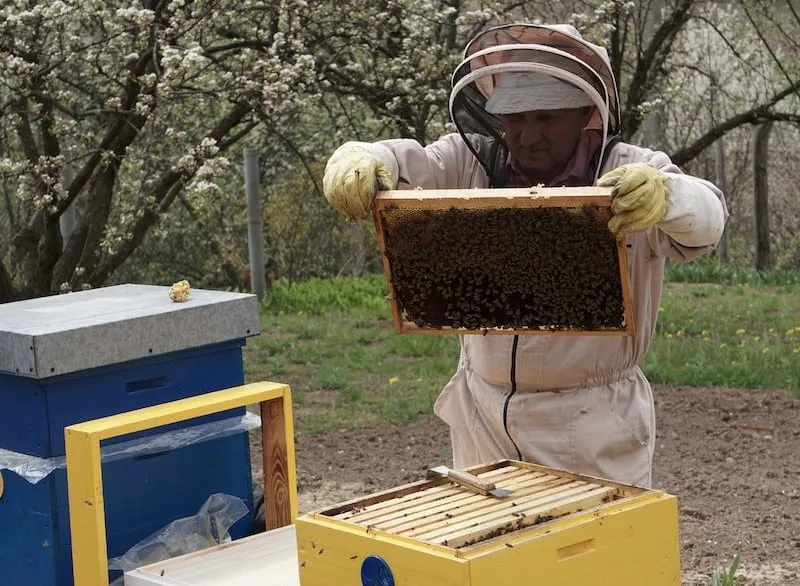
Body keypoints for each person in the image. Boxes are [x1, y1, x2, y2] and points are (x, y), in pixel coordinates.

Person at [321, 23, 728, 488]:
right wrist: (362, 156)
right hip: (483, 415)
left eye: (546, 118)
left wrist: (668, 196)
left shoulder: (630, 173)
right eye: (515, 118)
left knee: (584, 557)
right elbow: (405, 163)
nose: (527, 135)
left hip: (589, 424)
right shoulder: (470, 163)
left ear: (583, 115)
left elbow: (709, 217)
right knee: (490, 554)